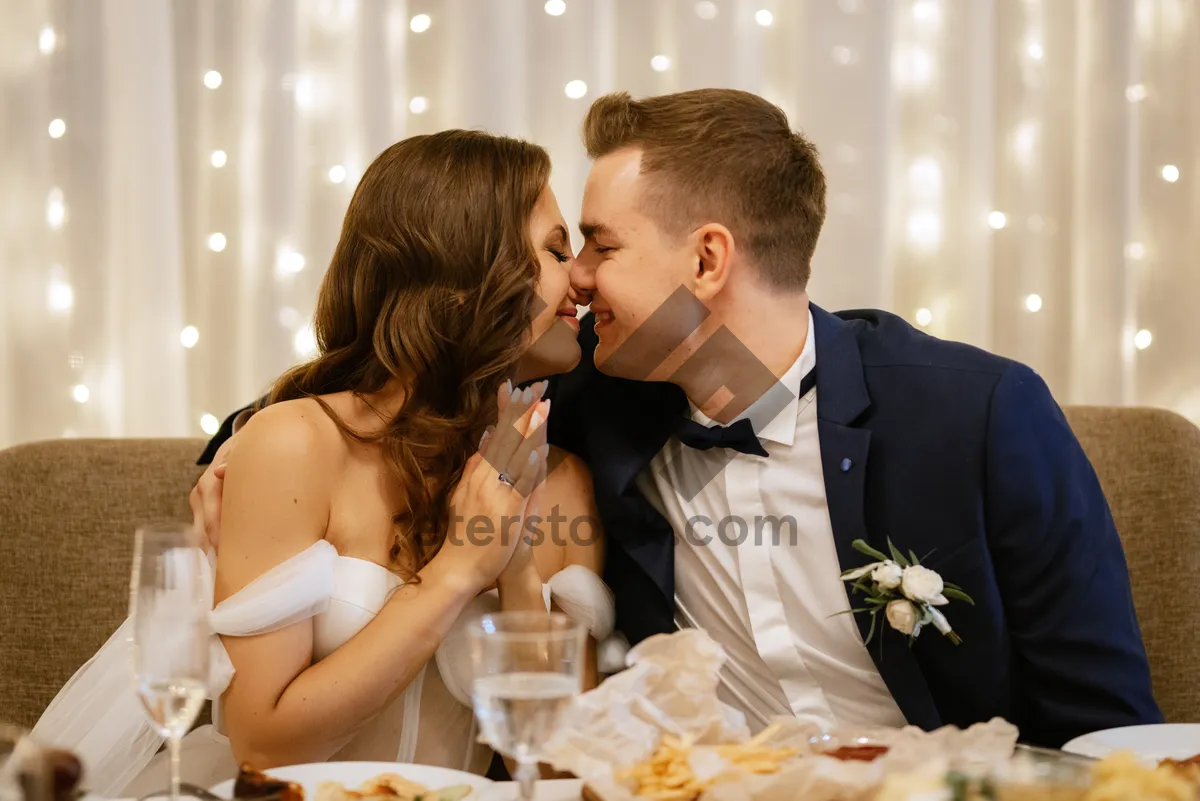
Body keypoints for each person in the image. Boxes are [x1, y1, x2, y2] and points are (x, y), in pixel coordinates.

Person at [545, 88, 1162, 748]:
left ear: (706, 260)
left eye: (600, 246)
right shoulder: (599, 398)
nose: (575, 278)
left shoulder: (979, 416)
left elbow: (1105, 725)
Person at [33, 130, 610, 797]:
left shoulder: (560, 480)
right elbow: (263, 742)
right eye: (556, 249)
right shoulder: (295, 444)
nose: (581, 280)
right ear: (461, 282)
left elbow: (570, 775)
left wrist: (512, 564)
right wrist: (455, 572)